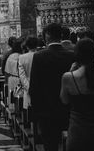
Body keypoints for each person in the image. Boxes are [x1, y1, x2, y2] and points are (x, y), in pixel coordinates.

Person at [29, 22, 75, 151]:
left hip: (46, 110)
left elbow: (34, 86)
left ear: (47, 36)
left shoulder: (39, 56)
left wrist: (36, 112)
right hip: (68, 108)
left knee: (50, 145)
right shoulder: (71, 55)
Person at [60, 38, 94, 151]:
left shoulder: (69, 77)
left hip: (78, 132)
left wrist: (71, 70)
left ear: (77, 55)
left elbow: (64, 100)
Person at [18, 35, 39, 109]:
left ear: (27, 46)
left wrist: (29, 88)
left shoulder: (22, 57)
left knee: (28, 112)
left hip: (28, 87)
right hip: (40, 88)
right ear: (37, 45)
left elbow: (22, 76)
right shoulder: (41, 55)